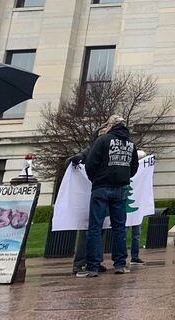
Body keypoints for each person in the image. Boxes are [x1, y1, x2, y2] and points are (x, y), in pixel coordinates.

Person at [78, 115, 139, 277]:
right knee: (119, 228)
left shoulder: (103, 140)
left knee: (95, 227)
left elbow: (91, 163)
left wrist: (96, 179)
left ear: (111, 125)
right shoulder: (131, 144)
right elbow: (134, 167)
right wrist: (124, 177)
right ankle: (119, 264)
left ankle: (93, 265)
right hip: (121, 188)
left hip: (101, 187)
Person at [68, 124, 109, 275]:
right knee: (87, 230)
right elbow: (71, 163)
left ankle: (96, 260)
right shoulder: (90, 150)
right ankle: (79, 263)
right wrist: (77, 159)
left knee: (102, 229)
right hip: (90, 194)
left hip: (101, 192)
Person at [130, 149, 147, 265]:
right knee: (125, 233)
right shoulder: (129, 169)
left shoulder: (144, 172)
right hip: (128, 205)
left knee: (136, 234)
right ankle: (121, 257)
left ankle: (135, 256)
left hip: (138, 206)